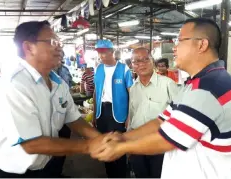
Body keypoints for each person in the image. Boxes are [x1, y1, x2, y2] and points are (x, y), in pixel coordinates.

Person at [91, 18, 231, 179]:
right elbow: (160, 121)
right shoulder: (194, 85)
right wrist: (122, 137)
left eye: (179, 41)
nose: (174, 48)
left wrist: (120, 147)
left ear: (201, 45)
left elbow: (167, 139)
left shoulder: (208, 88)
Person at [0, 20, 104, 178]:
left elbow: (73, 119)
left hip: (46, 165)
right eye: (53, 42)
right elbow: (30, 143)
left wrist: (101, 139)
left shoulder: (58, 84)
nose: (60, 47)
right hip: (14, 172)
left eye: (59, 42)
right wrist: (89, 146)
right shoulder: (15, 85)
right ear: (28, 47)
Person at [128, 47, 179, 178]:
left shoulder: (168, 84)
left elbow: (180, 114)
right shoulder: (133, 89)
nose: (142, 64)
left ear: (152, 62)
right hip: (137, 143)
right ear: (132, 65)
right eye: (137, 61)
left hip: (160, 142)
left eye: (146, 59)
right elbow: (132, 114)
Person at [94, 39, 133, 178]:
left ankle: (122, 173)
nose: (101, 56)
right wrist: (94, 114)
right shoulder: (98, 68)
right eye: (99, 53)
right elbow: (96, 92)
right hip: (102, 112)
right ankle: (110, 173)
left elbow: (131, 93)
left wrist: (129, 116)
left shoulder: (123, 69)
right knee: (105, 142)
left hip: (118, 113)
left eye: (104, 52)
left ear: (111, 52)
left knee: (118, 142)